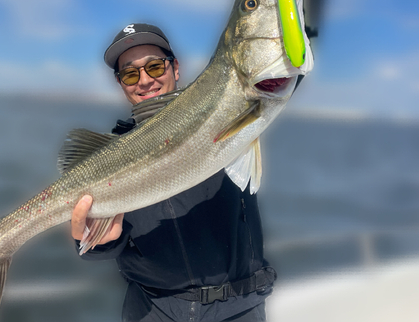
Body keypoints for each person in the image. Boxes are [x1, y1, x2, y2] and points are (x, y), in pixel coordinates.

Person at [70, 23, 276, 322]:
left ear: (175, 68)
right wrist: (98, 242)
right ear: (121, 84)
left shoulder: (225, 114)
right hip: (152, 309)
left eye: (155, 67)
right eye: (130, 74)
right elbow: (100, 249)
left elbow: (270, 74)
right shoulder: (108, 154)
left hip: (239, 307)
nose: (144, 80)